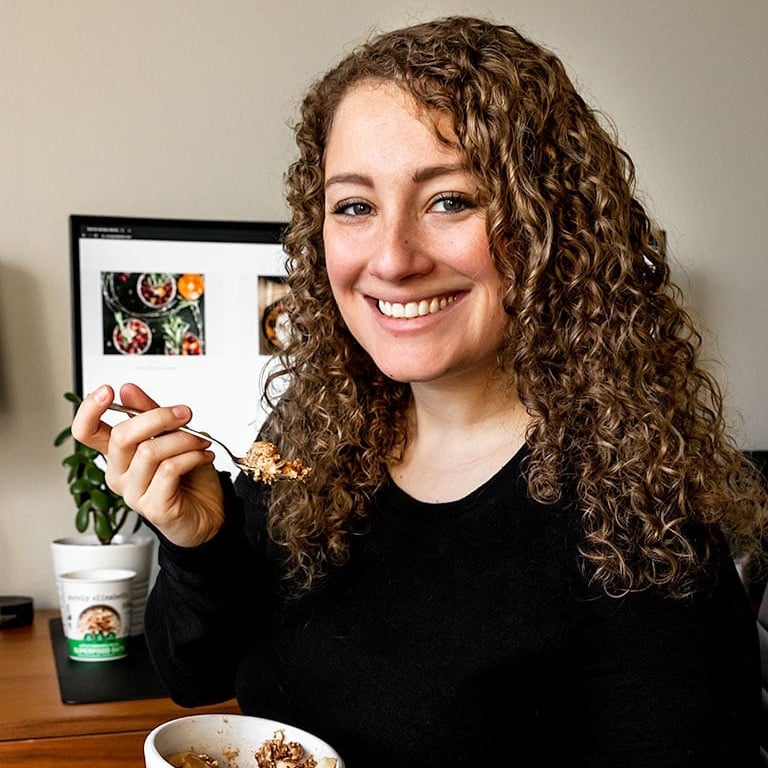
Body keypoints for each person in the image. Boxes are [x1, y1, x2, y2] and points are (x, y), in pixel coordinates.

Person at [71, 15, 768, 767]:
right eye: (355, 206)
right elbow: (194, 679)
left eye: (450, 200)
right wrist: (197, 541)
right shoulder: (315, 443)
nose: (393, 259)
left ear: (548, 225)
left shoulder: (641, 527)